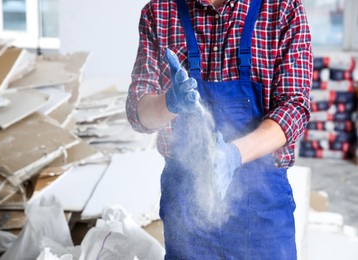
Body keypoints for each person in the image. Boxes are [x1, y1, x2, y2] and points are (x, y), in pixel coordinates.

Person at [126, 0, 313, 259]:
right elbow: (138, 114)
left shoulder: (281, 8)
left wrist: (233, 154)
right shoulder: (159, 12)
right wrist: (169, 103)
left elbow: (295, 108)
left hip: (262, 212)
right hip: (187, 214)